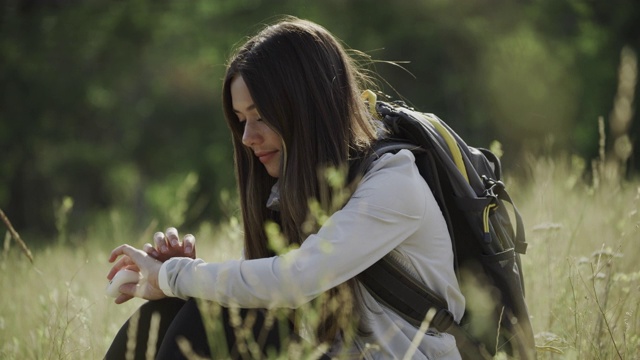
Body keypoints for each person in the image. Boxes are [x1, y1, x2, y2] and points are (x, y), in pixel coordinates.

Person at [105, 16, 465, 359]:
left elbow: (295, 280)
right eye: (241, 119)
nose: (247, 137)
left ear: (307, 109)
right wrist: (182, 279)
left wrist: (176, 275)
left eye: (260, 116)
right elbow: (270, 299)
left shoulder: (393, 184)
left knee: (218, 312)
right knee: (176, 310)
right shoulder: (289, 194)